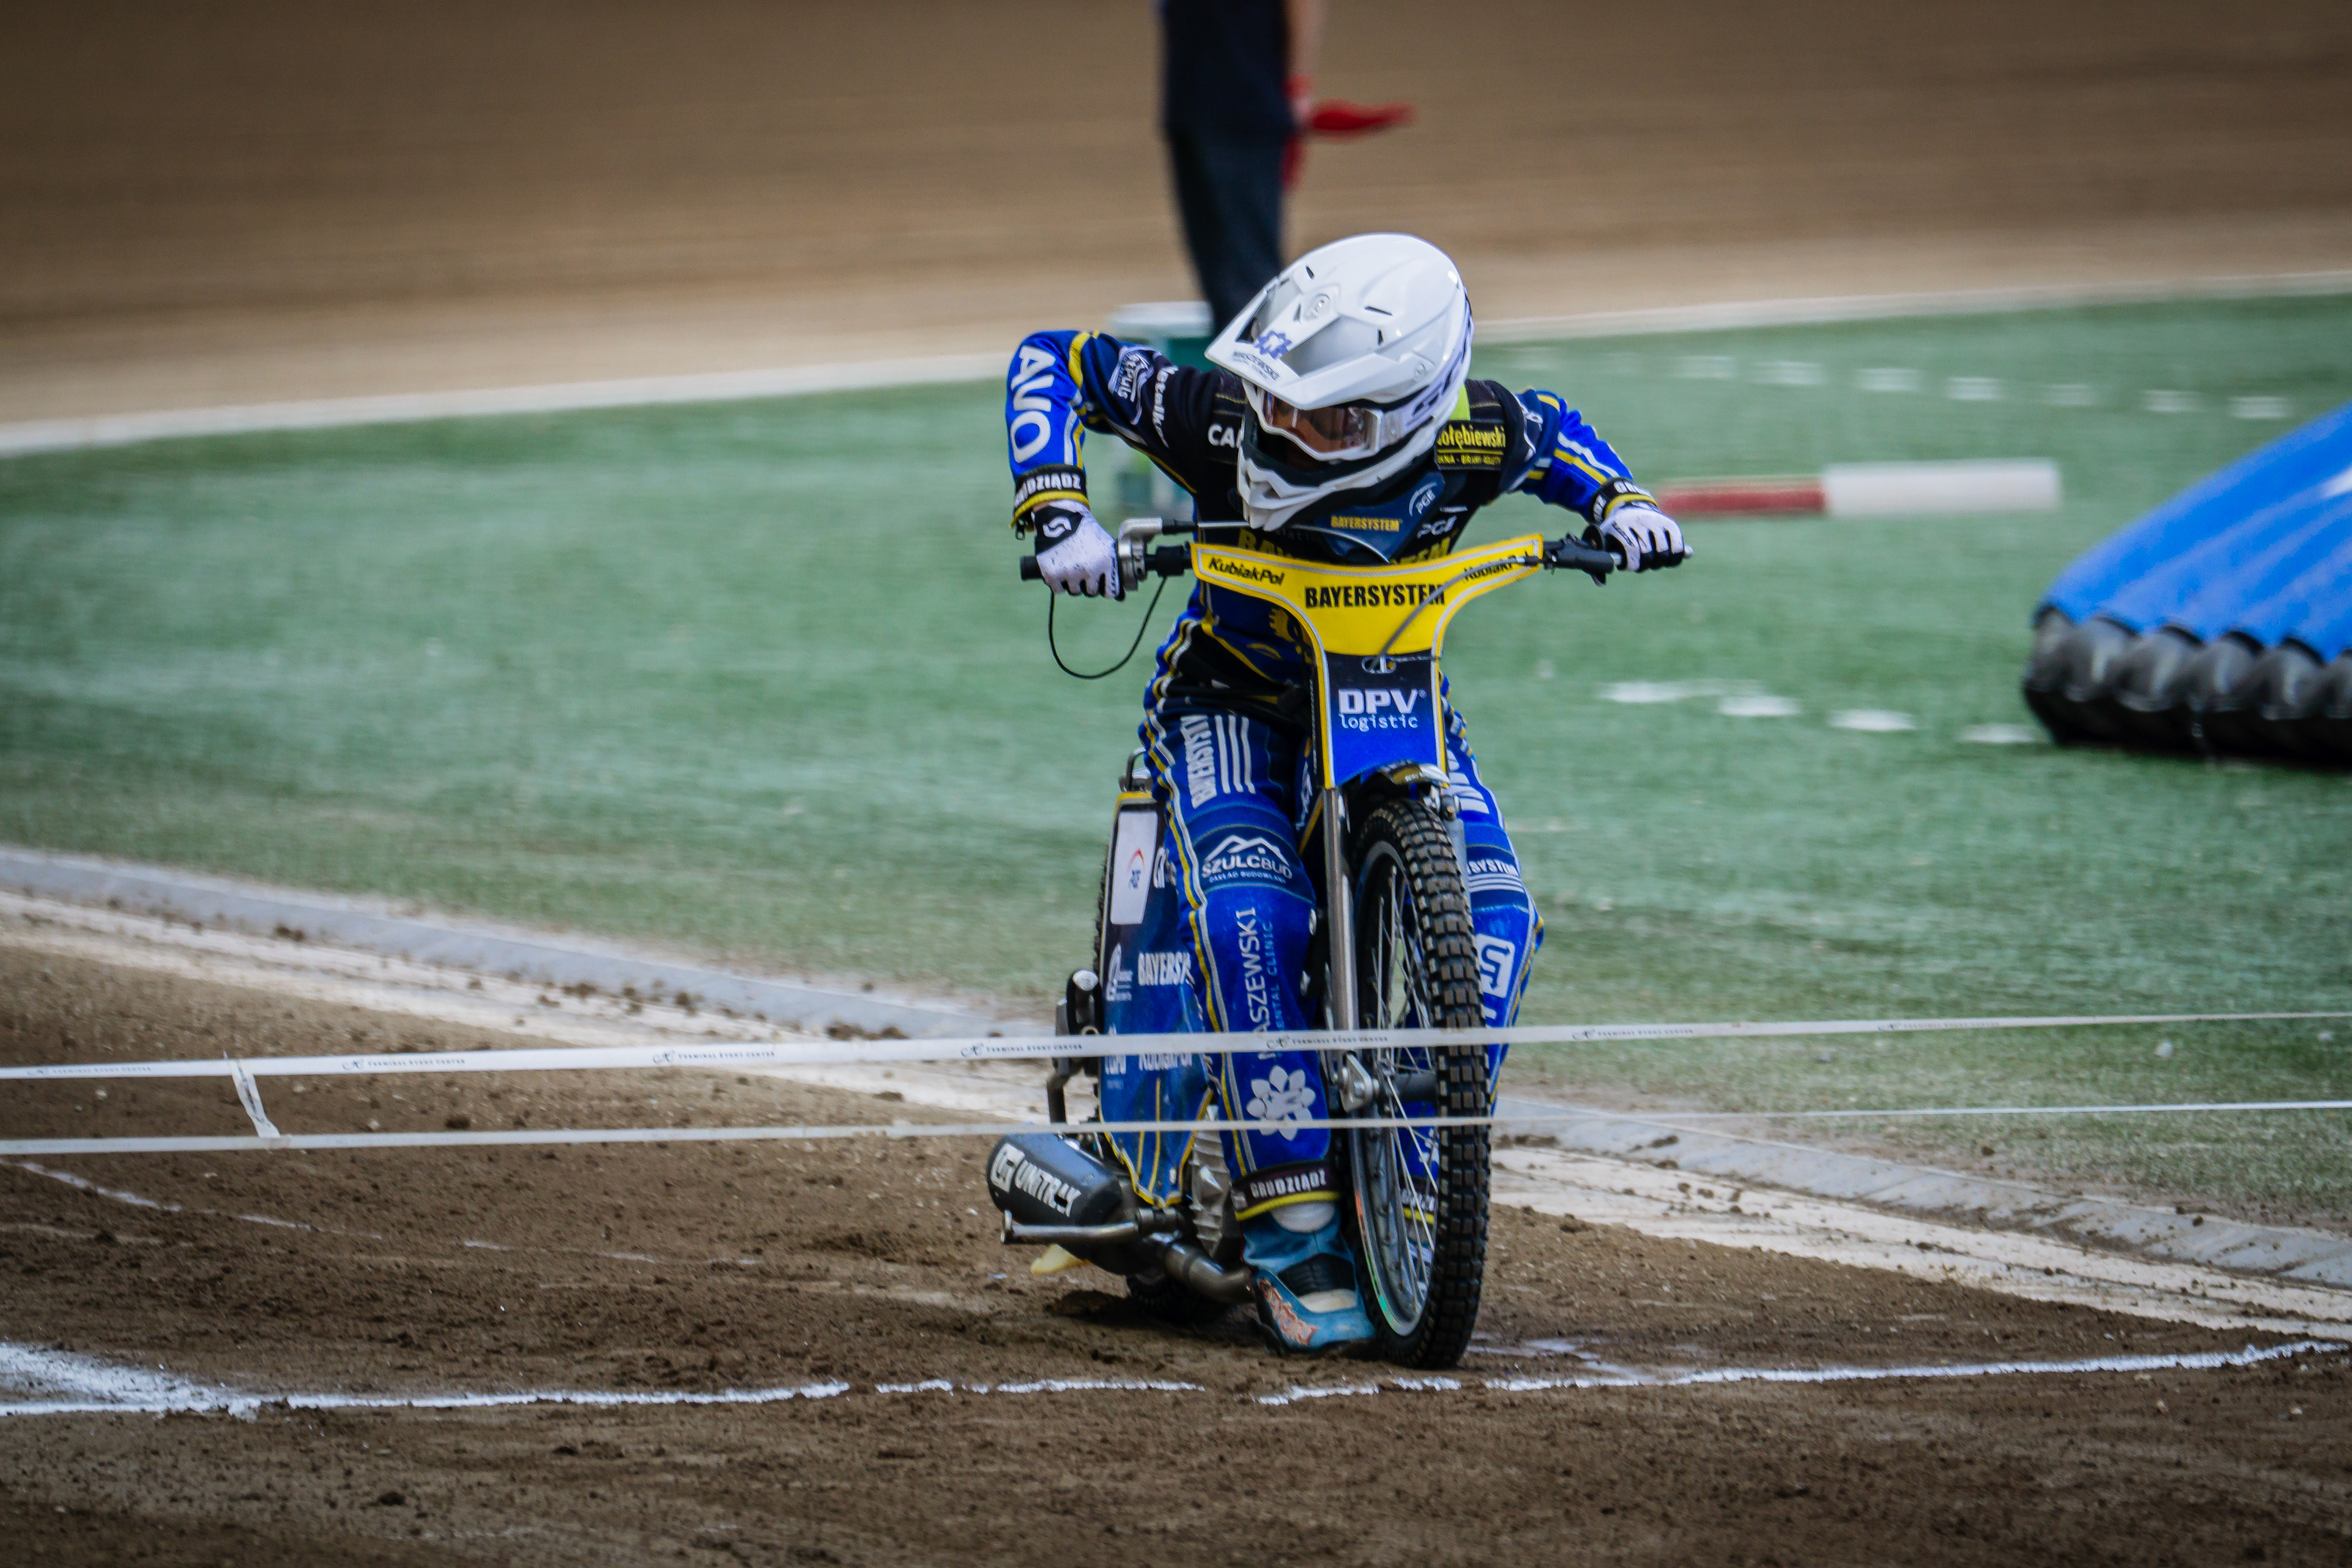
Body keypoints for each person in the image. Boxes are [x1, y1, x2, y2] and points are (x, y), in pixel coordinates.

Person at [1002, 233, 1684, 1352]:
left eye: (1326, 421)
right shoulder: (1217, 414)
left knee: (1498, 915)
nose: (1282, 431)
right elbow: (1058, 360)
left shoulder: (1475, 430)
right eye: (1278, 403)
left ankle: (1408, 1157)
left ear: (1412, 412)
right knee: (1253, 916)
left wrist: (1621, 501)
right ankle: (1294, 1226)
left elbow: (1554, 431)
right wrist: (1057, 509)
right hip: (1230, 699)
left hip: (1391, 700)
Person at [1161, 0, 1324, 331]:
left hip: (1246, 101)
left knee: (1251, 284)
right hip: (1189, 102)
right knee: (1218, 283)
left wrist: (1298, 82)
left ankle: (1263, 362)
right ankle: (1234, 362)